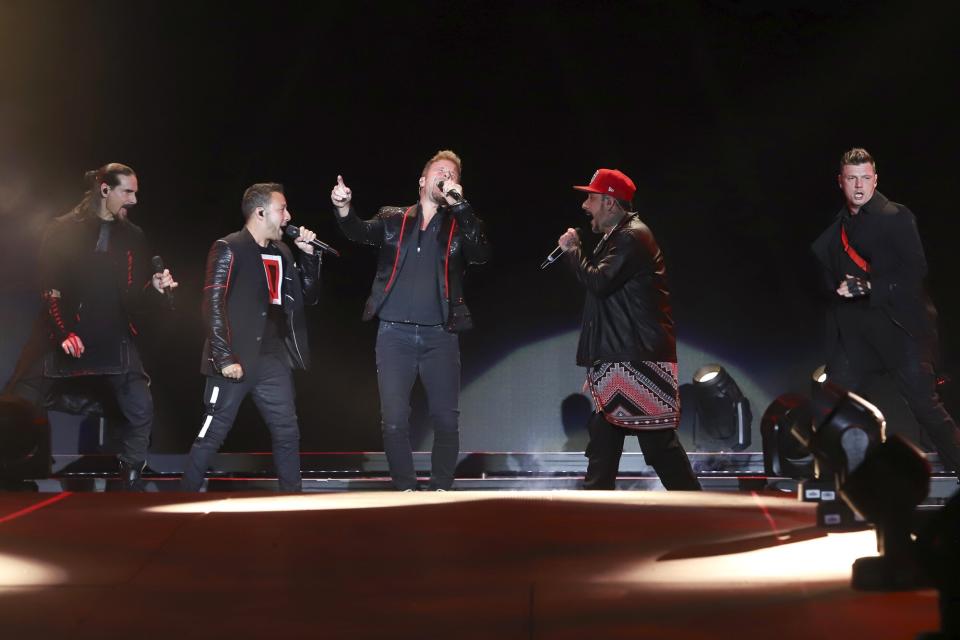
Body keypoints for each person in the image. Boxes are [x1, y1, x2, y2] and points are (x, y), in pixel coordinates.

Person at [5, 162, 178, 490]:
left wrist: (153, 287)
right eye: (128, 192)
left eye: (135, 193)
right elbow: (50, 289)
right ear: (104, 190)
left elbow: (132, 296)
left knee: (140, 408)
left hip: (113, 339)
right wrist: (62, 332)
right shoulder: (62, 230)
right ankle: (9, 474)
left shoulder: (133, 235)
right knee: (18, 401)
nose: (134, 200)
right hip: (64, 336)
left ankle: (129, 478)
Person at [331, 150, 490, 491]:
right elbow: (359, 231)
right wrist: (344, 209)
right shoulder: (394, 218)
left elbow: (480, 253)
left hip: (440, 335)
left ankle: (441, 489)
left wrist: (460, 206)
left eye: (452, 174)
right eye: (440, 172)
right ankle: (405, 489)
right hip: (394, 335)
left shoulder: (460, 226)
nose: (446, 177)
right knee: (394, 422)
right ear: (423, 180)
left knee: (446, 420)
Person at [811, 148, 960, 472]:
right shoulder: (834, 232)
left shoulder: (896, 216)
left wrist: (869, 286)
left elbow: (915, 270)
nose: (860, 186)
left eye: (865, 178)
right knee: (832, 404)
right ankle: (837, 484)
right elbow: (826, 278)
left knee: (926, 409)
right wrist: (838, 289)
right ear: (841, 182)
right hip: (857, 334)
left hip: (899, 329)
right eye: (852, 179)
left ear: (875, 180)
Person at [558, 168, 701, 491]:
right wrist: (601, 358)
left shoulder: (632, 237)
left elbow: (599, 282)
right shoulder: (619, 237)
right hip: (623, 358)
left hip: (638, 360)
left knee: (658, 445)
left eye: (591, 198)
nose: (585, 205)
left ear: (610, 202)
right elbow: (609, 305)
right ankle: (597, 512)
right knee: (605, 439)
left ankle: (698, 508)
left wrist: (572, 251)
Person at [180, 183, 321, 492]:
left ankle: (291, 500)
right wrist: (224, 356)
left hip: (272, 358)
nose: (288, 216)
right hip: (235, 357)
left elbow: (305, 298)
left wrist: (309, 258)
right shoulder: (229, 247)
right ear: (260, 212)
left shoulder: (282, 251)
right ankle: (185, 497)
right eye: (282, 209)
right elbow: (212, 303)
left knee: (287, 430)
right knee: (213, 430)